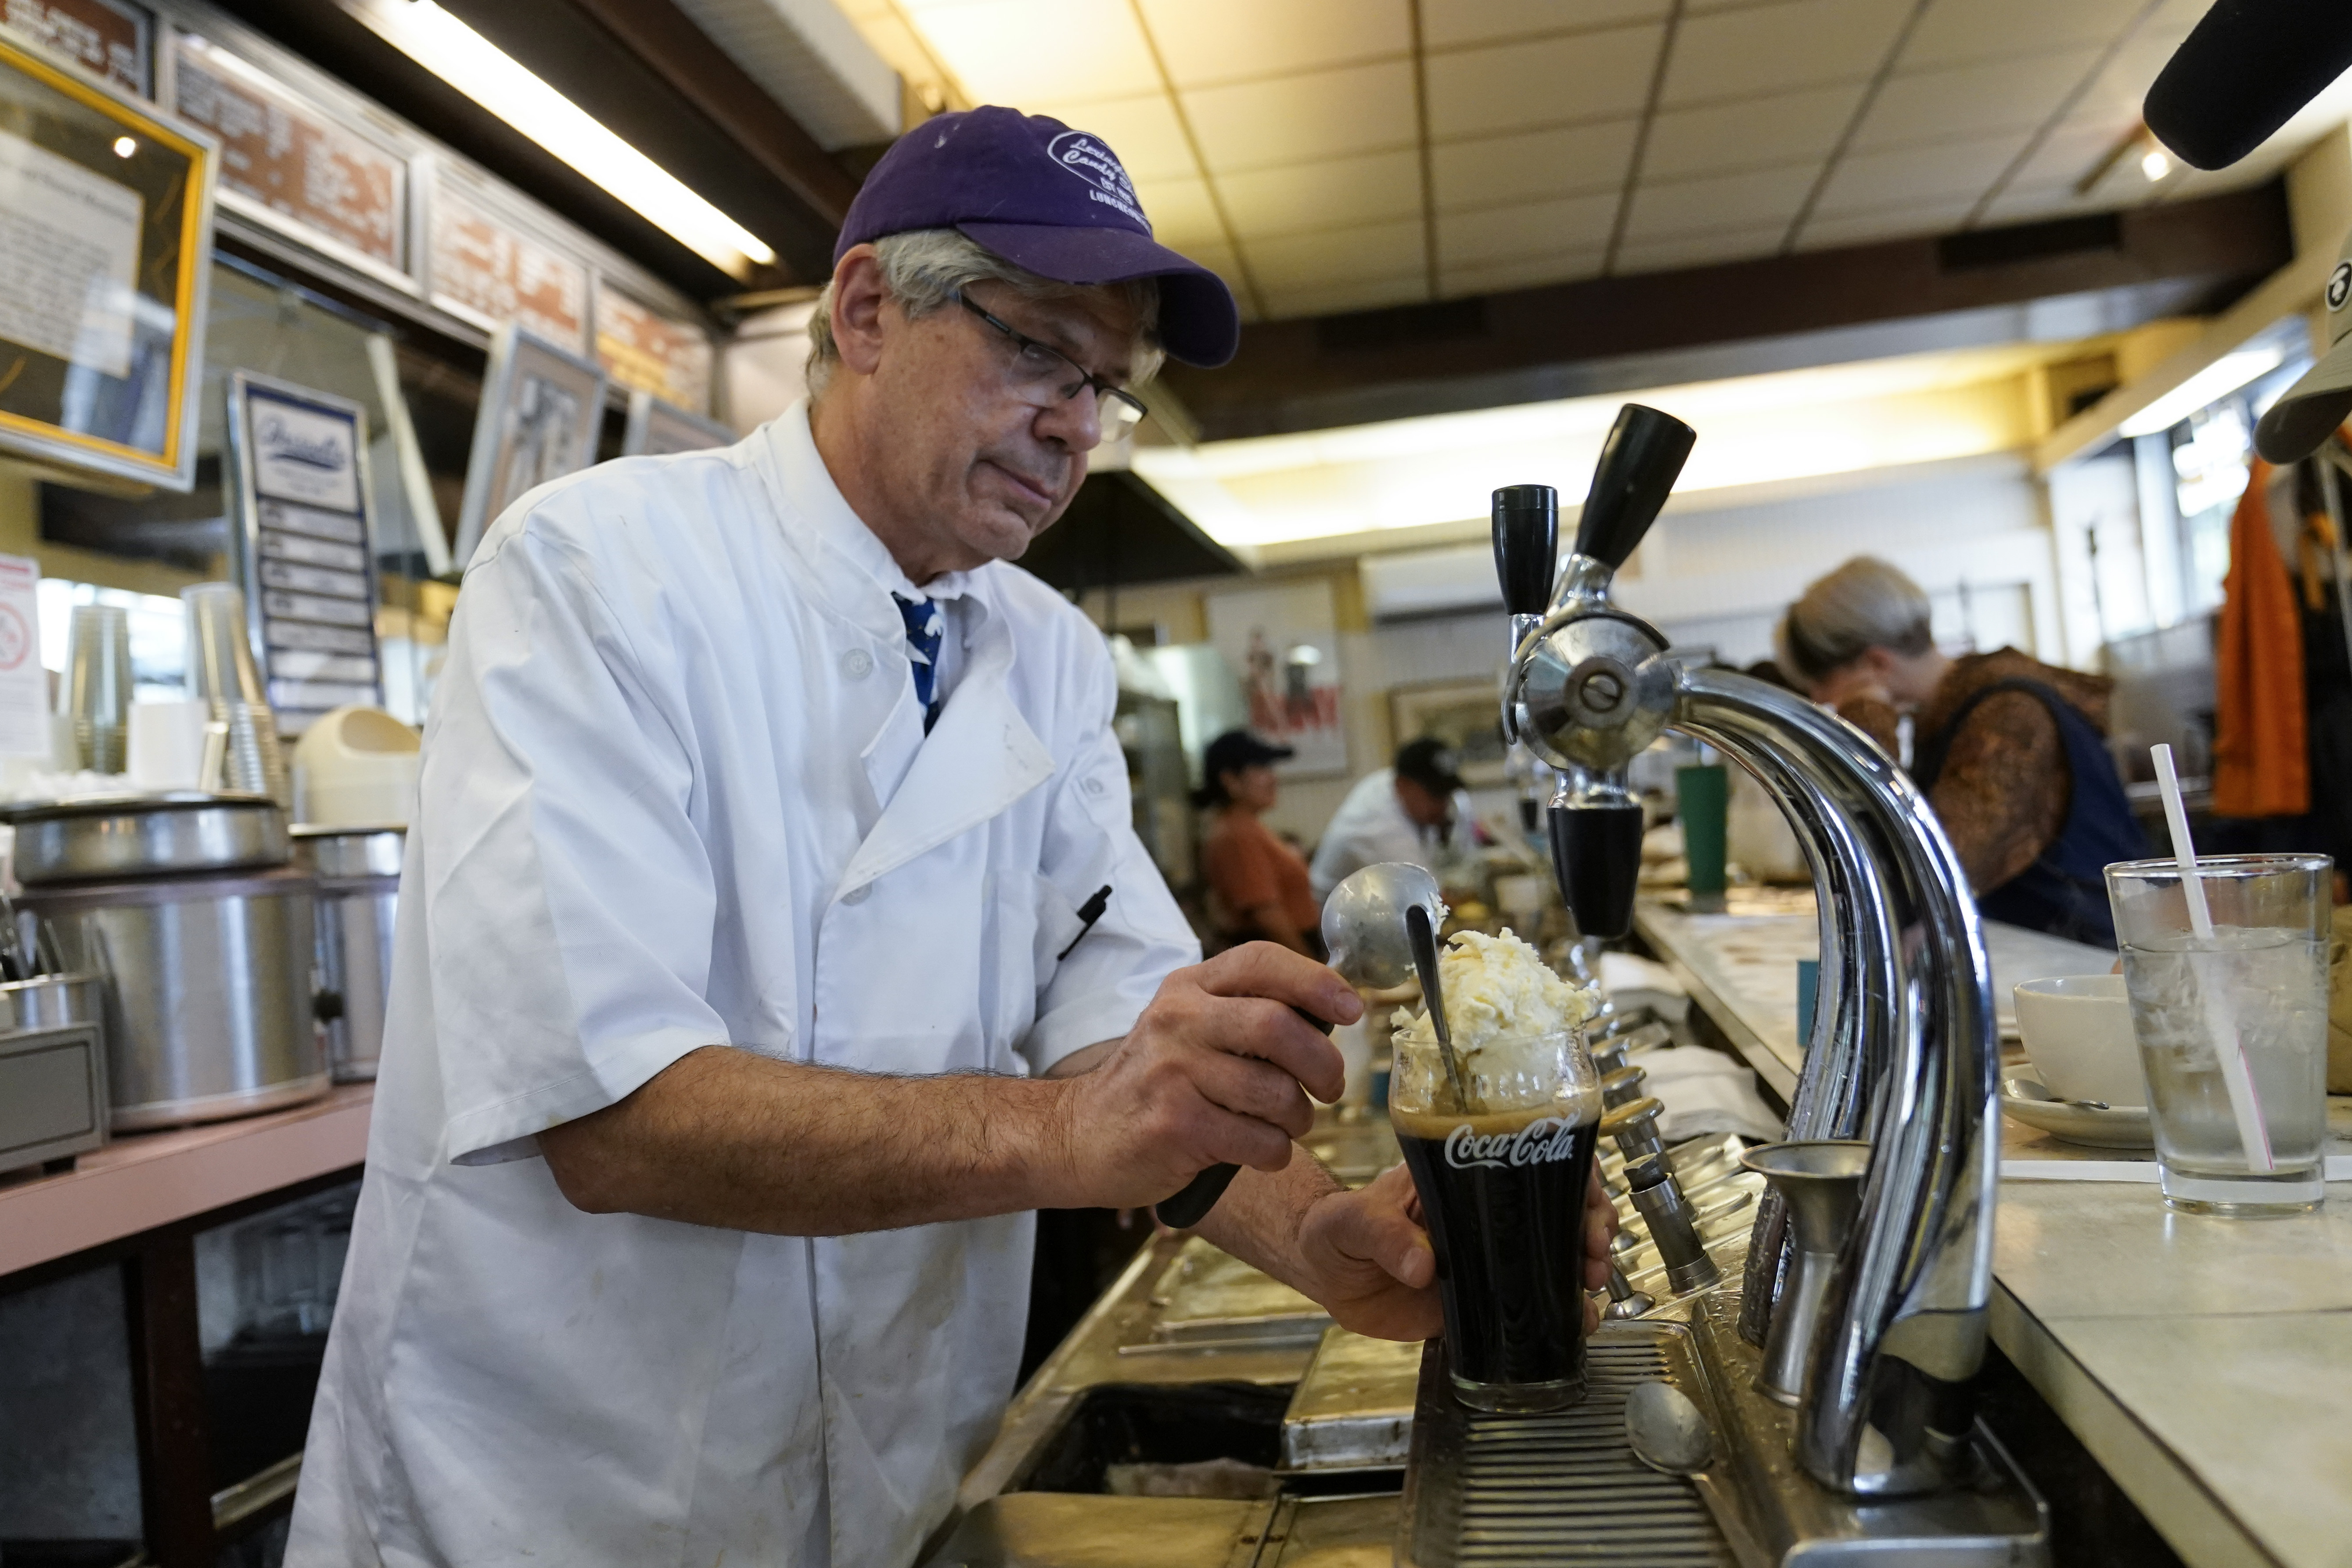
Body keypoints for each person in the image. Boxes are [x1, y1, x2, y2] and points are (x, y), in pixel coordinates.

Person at [286, 108, 1617, 1567]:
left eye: (1106, 387)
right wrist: (1068, 1134)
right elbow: (608, 1115)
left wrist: (1313, 1235)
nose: (1070, 422)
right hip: (556, 1499)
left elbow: (1112, 1030)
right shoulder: (598, 573)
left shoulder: (1044, 652)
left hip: (888, 1477)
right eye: (1034, 349)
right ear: (865, 311)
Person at [1777, 557, 2146, 945]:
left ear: (1876, 662)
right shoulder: (1952, 714)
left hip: (2089, 968)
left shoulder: (2008, 717)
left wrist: (1866, 716)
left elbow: (1920, 879)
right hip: (2041, 959)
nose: (1819, 698)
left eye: (1822, 682)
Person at [1197, 728, 1322, 955]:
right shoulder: (1238, 835)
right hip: (1281, 959)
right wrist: (1313, 967)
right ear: (1230, 780)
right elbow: (1267, 914)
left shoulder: (1246, 827)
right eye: (1262, 768)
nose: (1273, 778)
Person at [1309, 737, 1480, 900]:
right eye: (1435, 795)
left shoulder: (1394, 789)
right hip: (1332, 919)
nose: (1443, 805)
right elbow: (1429, 898)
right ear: (1403, 785)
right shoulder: (1379, 825)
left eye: (1446, 794)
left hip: (1368, 904)